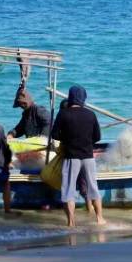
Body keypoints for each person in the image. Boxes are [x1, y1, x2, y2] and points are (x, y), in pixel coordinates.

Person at [51, 85, 106, 227]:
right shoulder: (91, 114)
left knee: (68, 190)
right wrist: (86, 141)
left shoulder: (63, 114)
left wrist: (67, 138)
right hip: (88, 156)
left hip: (71, 157)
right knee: (93, 187)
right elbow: (97, 136)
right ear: (83, 98)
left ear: (70, 97)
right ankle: (100, 219)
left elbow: (55, 135)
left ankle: (71, 222)